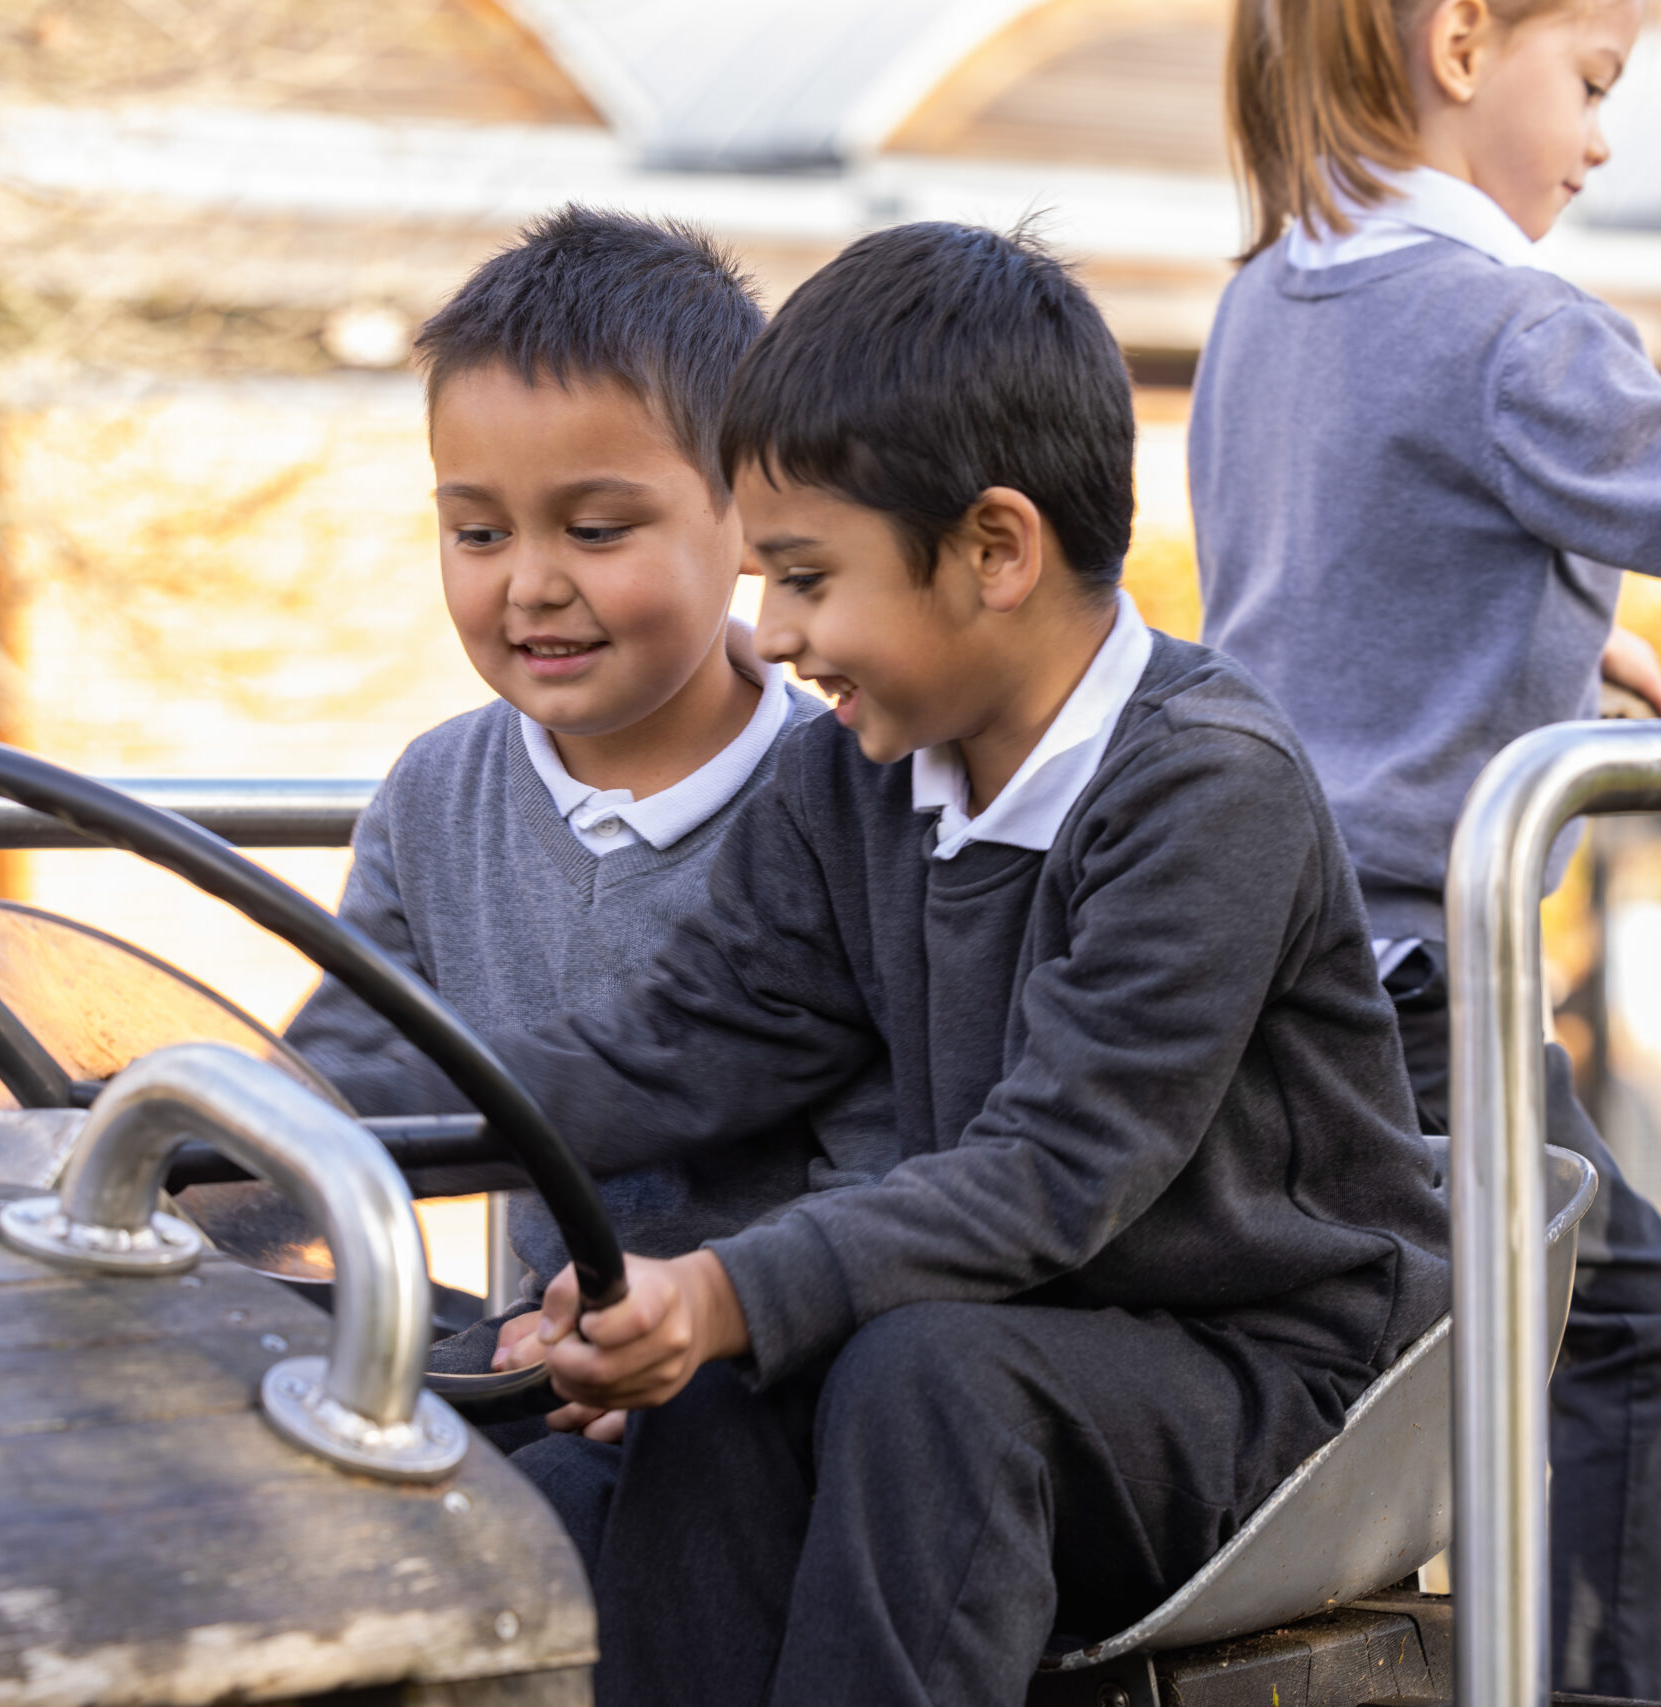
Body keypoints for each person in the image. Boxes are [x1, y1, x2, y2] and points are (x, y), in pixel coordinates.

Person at [324, 221, 1454, 1707]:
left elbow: (1054, 1168)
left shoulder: (1203, 786)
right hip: (1032, 1334)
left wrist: (725, 1285)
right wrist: (303, 1127)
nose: (775, 631)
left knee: (920, 1372)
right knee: (724, 1393)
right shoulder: (860, 782)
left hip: (1278, 1382)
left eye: (803, 574)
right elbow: (672, 1040)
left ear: (994, 550)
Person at [1193, 0, 1661, 1689]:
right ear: (1463, 41)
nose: (1604, 144)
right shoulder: (1517, 329)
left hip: (1256, 939)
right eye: (1596, 84)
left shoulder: (1267, 302)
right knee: (1627, 1315)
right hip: (1412, 971)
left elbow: (1358, 582)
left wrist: (1574, 649)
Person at [284, 207, 886, 1421]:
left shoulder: (860, 796)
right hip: (534, 1370)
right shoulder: (434, 796)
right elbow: (342, 1092)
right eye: (478, 532)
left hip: (770, 1390)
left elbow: (890, 1171)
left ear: (750, 520)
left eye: (597, 530)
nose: (531, 583)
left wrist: (709, 1324)